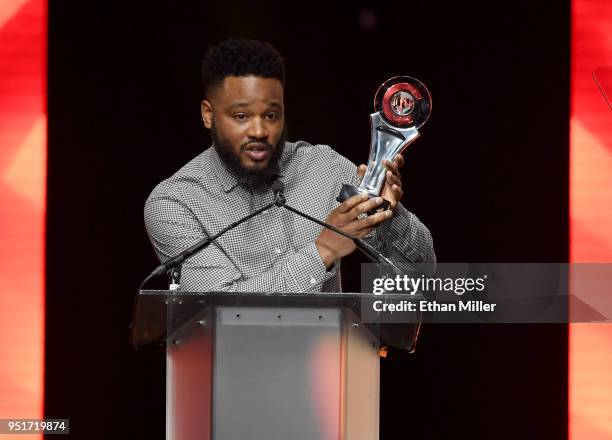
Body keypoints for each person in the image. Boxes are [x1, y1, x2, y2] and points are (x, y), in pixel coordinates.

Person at [144, 38, 435, 292]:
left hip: (334, 354)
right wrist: (323, 250)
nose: (259, 131)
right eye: (241, 116)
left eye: (271, 115)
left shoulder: (323, 166)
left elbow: (423, 274)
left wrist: (389, 216)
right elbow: (217, 307)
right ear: (209, 115)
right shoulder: (175, 202)